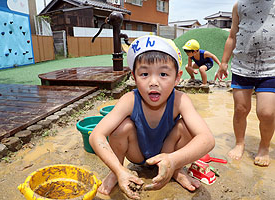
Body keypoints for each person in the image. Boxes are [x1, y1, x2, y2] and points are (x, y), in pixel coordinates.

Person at [89, 35, 215, 199]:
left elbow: (207, 139)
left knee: (187, 127)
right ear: (134, 77)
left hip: (168, 152)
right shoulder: (129, 100)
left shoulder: (180, 100)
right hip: (137, 153)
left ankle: (176, 170)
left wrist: (174, 160)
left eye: (163, 74)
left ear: (177, 77)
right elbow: (96, 135)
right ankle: (116, 171)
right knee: (121, 127)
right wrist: (120, 170)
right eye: (144, 74)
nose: (153, 82)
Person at [215, 0, 275, 167]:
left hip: (271, 67)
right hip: (242, 66)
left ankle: (264, 147)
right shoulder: (239, 6)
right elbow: (232, 35)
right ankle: (239, 143)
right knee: (240, 109)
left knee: (267, 113)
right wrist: (224, 62)